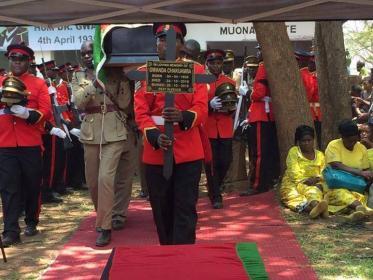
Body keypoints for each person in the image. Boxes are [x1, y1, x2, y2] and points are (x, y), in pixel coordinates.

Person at [134, 23, 208, 245]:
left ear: (181, 45)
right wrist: (154, 137)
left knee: (185, 207)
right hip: (157, 149)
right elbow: (140, 112)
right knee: (161, 208)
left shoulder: (197, 71)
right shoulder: (143, 73)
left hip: (188, 152)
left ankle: (184, 257)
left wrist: (183, 116)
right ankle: (167, 254)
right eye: (161, 39)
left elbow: (202, 108)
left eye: (171, 39)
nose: (164, 44)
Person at [72, 40, 135, 246]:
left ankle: (104, 227)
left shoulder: (114, 73)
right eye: (84, 53)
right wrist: (93, 83)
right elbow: (79, 102)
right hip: (90, 131)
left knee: (105, 178)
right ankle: (104, 215)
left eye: (91, 52)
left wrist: (122, 79)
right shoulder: (78, 76)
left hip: (114, 130)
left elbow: (125, 105)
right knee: (92, 182)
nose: (87, 55)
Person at [0, 43, 51, 246]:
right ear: (9, 60)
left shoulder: (38, 84)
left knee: (31, 185)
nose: (17, 62)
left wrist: (27, 114)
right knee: (9, 188)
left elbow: (46, 110)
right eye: (13, 59)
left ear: (29, 62)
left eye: (21, 59)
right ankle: (11, 231)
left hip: (30, 142)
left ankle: (31, 221)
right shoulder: (1, 82)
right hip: (5, 143)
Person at [246, 45, 280, 195]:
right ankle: (269, 180)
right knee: (269, 151)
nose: (258, 52)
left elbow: (258, 93)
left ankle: (258, 185)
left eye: (260, 50)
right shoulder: (273, 65)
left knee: (259, 152)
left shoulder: (262, 66)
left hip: (260, 114)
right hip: (269, 114)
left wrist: (248, 93)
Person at [204, 49, 236, 209]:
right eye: (213, 63)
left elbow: (233, 104)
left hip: (225, 127)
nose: (216, 66)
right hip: (208, 127)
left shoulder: (230, 82)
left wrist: (231, 108)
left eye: (219, 63)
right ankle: (216, 195)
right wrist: (209, 106)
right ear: (207, 64)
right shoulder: (201, 82)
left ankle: (214, 186)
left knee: (225, 161)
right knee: (211, 163)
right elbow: (196, 105)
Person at [324, 120, 373, 220]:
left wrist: (368, 176)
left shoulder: (361, 148)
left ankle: (356, 212)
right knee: (341, 193)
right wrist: (359, 172)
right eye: (349, 141)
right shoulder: (333, 145)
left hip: (356, 186)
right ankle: (362, 209)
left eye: (355, 141)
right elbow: (336, 165)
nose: (352, 143)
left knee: (359, 196)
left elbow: (365, 169)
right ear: (342, 137)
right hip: (335, 185)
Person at [280, 125, 328, 218]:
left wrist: (317, 179)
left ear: (313, 140)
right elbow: (293, 171)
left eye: (309, 140)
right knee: (292, 197)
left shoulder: (320, 155)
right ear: (298, 142)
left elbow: (324, 172)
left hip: (314, 182)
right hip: (293, 183)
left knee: (314, 191)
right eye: (303, 141)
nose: (306, 143)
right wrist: (305, 181)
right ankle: (316, 209)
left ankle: (316, 206)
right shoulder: (294, 151)